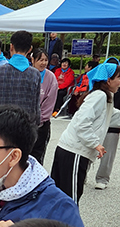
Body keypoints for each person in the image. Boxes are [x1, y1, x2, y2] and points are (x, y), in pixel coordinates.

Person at [51, 63, 120, 203]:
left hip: (70, 150)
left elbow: (113, 116)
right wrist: (96, 144)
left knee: (60, 198)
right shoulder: (100, 96)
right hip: (74, 152)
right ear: (108, 80)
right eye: (119, 77)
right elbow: (82, 123)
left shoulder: (104, 97)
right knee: (70, 199)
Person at [0, 30, 40, 127]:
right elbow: (36, 108)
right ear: (30, 49)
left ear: (11, 46)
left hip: (0, 125)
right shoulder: (35, 74)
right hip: (25, 126)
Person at [95, 57, 120, 190]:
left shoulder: (118, 85)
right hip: (98, 123)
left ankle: (102, 178)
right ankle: (82, 174)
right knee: (89, 149)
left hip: (114, 124)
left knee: (108, 153)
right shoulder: (98, 87)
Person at [30, 48, 58, 164]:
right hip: (26, 122)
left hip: (42, 124)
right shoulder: (27, 74)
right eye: (40, 60)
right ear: (33, 60)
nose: (43, 63)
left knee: (38, 155)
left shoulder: (50, 77)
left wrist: (40, 119)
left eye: (45, 60)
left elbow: (50, 102)